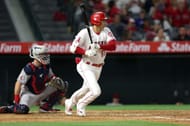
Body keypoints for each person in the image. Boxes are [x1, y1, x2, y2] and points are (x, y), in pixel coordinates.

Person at [65, 11, 116, 117]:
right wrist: (86, 52)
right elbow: (73, 48)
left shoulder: (106, 31)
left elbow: (113, 45)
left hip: (98, 67)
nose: (105, 23)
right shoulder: (84, 32)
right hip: (86, 65)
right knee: (96, 91)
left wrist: (99, 46)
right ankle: (81, 105)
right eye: (103, 21)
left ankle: (69, 102)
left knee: (85, 89)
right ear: (97, 22)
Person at [0, 44, 68, 114]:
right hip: (29, 94)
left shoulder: (46, 66)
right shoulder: (29, 68)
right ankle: (11, 108)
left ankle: (46, 107)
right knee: (22, 110)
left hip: (42, 91)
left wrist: (57, 83)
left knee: (62, 85)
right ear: (36, 55)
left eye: (46, 54)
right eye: (43, 54)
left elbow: (52, 78)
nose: (46, 56)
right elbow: (18, 83)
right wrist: (16, 101)